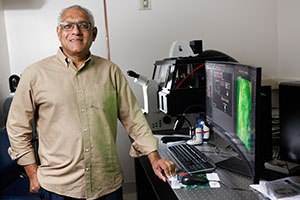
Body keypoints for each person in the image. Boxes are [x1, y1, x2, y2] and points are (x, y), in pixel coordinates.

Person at [6, 5, 176, 200]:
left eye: (83, 25)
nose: (76, 31)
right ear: (58, 32)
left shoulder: (110, 71)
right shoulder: (34, 74)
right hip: (58, 188)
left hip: (107, 185)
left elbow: (134, 119)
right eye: (68, 25)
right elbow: (17, 127)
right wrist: (32, 174)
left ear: (94, 33)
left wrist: (154, 158)